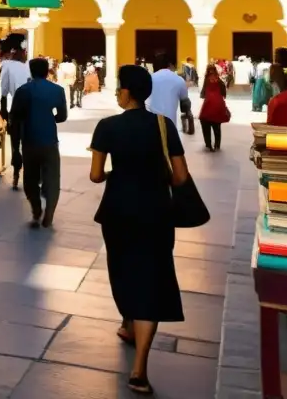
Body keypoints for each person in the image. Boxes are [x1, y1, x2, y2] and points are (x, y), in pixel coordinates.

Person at [89, 64, 188, 395]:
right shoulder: (164, 125)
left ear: (127, 92)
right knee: (152, 278)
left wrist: (113, 176)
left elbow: (95, 175)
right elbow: (180, 177)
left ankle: (128, 321)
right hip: (157, 212)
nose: (118, 93)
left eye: (119, 88)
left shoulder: (107, 127)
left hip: (118, 210)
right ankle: (139, 370)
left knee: (123, 270)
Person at [10, 58, 67, 228]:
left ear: (31, 71)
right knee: (53, 178)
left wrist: (15, 147)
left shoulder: (23, 91)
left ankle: (36, 209)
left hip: (29, 141)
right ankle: (49, 213)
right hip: (50, 140)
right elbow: (62, 116)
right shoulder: (57, 90)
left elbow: (15, 119)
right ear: (47, 71)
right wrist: (50, 118)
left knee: (30, 179)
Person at [0, 34, 32, 190]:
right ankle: (29, 175)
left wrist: (3, 111)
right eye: (24, 50)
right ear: (18, 51)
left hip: (16, 111)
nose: (25, 53)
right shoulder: (27, 66)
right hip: (31, 111)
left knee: (15, 143)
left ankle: (16, 175)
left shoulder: (6, 66)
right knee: (28, 143)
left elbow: (4, 91)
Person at [146, 52, 189, 128]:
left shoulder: (149, 79)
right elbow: (185, 102)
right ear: (170, 64)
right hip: (171, 123)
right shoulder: (179, 80)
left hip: (150, 122)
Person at [198, 64, 230, 152]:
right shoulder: (220, 81)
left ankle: (208, 144)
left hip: (208, 107)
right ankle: (217, 145)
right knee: (217, 126)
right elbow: (224, 94)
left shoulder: (206, 80)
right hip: (218, 107)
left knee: (205, 124)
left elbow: (203, 94)